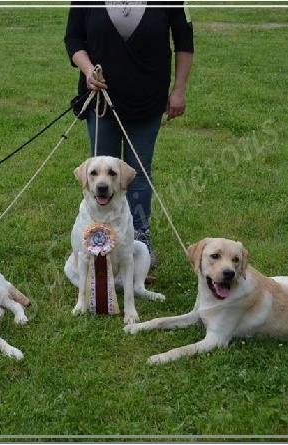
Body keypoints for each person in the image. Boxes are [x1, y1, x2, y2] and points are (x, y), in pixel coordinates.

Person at [64, 1, 194, 268]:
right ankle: (97, 237)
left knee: (139, 172)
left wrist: (179, 90)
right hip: (100, 99)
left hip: (147, 100)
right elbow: (73, 37)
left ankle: (139, 240)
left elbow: (184, 40)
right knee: (101, 173)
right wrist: (88, 70)